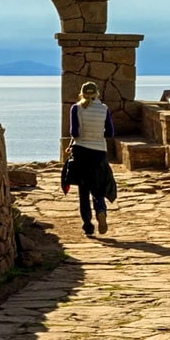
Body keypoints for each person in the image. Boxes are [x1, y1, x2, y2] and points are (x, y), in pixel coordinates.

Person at [63, 81, 116, 237]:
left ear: (82, 93)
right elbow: (110, 133)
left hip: (81, 152)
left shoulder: (76, 108)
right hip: (99, 152)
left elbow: (74, 132)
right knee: (98, 187)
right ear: (97, 93)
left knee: (83, 190)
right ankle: (101, 210)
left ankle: (87, 225)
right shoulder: (104, 109)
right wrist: (98, 134)